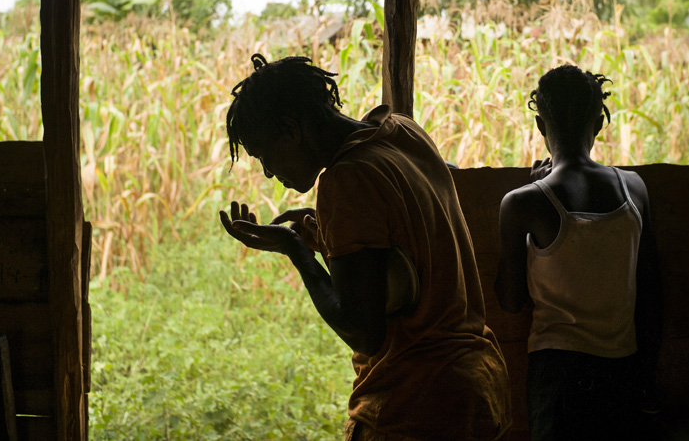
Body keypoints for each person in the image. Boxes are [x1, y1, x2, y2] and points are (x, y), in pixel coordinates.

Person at [218, 54, 511, 441]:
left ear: (290, 129)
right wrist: (322, 232)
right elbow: (403, 236)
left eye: (264, 156)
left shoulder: (346, 179)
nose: (269, 172)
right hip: (479, 385)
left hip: (416, 405)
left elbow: (364, 332)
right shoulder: (401, 132)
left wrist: (296, 249)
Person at [495, 65, 663, 441]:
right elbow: (651, 295)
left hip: (557, 379)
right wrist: (647, 382)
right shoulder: (634, 189)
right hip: (623, 371)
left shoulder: (522, 204)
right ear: (599, 124)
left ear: (540, 126)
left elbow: (510, 299)